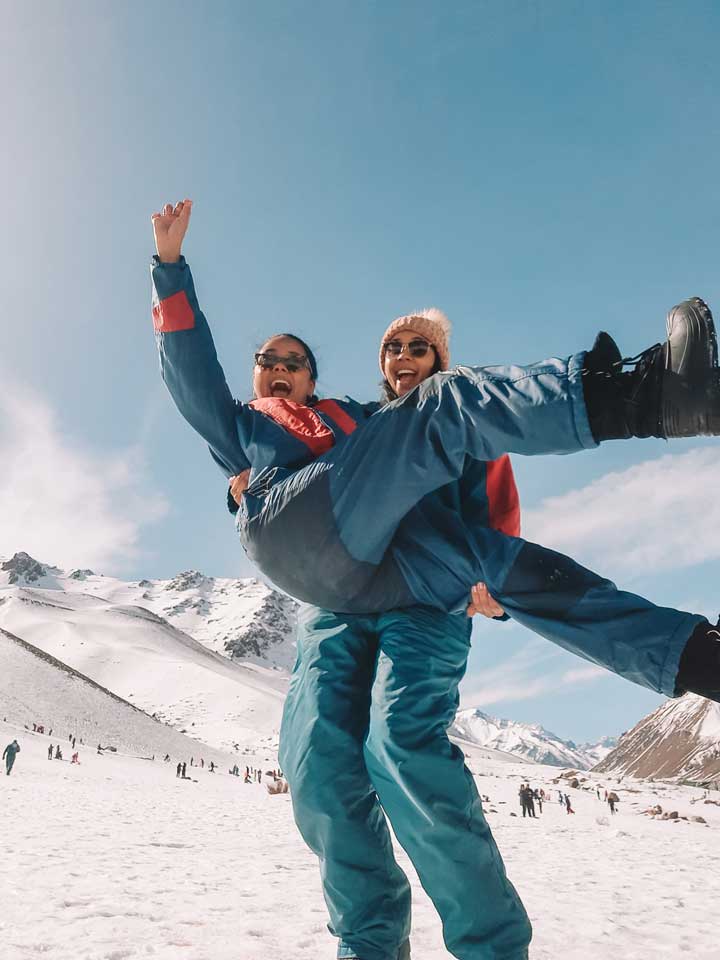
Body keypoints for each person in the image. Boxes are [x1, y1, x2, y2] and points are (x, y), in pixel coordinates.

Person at [151, 199, 720, 705]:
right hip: (292, 526)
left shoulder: (357, 421)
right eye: (267, 360)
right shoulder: (245, 424)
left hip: (372, 570)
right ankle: (647, 399)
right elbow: (191, 374)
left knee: (520, 572)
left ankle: (696, 658)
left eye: (292, 361)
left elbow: (441, 450)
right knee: (439, 405)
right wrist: (170, 268)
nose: (278, 367)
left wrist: (489, 593)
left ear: (312, 379)